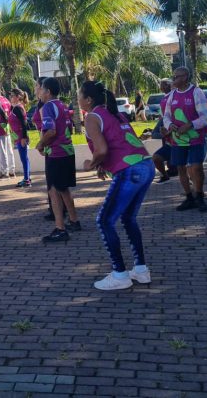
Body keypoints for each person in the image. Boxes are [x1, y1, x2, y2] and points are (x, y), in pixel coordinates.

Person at [80, 81, 155, 291]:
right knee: (128, 218)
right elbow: (120, 141)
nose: (77, 99)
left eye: (79, 95)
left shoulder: (92, 117)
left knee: (104, 221)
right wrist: (103, 164)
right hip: (145, 166)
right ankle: (141, 271)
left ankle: (120, 274)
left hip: (130, 171)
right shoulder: (115, 112)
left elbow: (102, 149)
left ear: (88, 100)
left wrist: (91, 163)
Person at [36, 77, 81, 242]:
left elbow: (51, 132)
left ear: (47, 91)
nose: (39, 92)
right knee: (64, 189)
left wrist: (40, 144)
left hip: (56, 153)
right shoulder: (62, 105)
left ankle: (60, 228)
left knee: (53, 190)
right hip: (68, 151)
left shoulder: (48, 106)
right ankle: (74, 221)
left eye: (41, 89)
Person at [162, 66, 207, 212]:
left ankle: (200, 196)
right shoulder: (172, 95)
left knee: (196, 167)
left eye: (176, 76)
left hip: (196, 138)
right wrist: (170, 125)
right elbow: (166, 116)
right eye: (173, 76)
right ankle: (189, 198)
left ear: (185, 77)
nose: (173, 79)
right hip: (178, 140)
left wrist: (190, 125)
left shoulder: (196, 92)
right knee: (180, 168)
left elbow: (206, 117)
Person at [152, 79, 176, 184]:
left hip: (177, 134)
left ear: (168, 85)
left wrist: (170, 129)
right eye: (161, 85)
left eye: (163, 85)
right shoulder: (164, 97)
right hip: (166, 129)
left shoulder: (174, 95)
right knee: (157, 157)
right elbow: (164, 114)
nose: (161, 87)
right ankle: (166, 174)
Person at [0, 85, 16, 179]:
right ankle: (12, 171)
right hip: (7, 127)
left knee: (2, 151)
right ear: (0, 91)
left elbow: (1, 112)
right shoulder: (5, 99)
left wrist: (5, 120)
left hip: (0, 127)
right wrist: (9, 122)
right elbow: (11, 110)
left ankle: (5, 172)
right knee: (9, 150)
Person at [9, 88, 31, 188]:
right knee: (23, 158)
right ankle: (27, 177)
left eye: (12, 95)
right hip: (17, 137)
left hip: (21, 137)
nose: (10, 97)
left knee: (24, 158)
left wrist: (24, 137)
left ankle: (27, 180)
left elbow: (24, 123)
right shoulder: (14, 108)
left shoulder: (18, 108)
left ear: (18, 97)